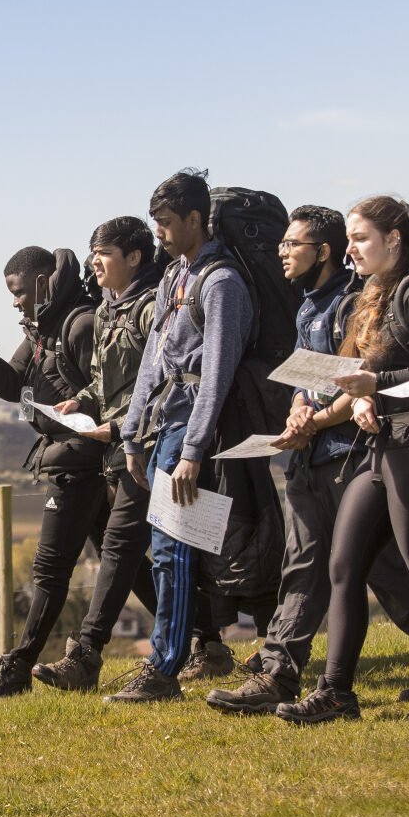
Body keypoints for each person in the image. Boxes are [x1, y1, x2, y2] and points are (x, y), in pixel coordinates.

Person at [206, 205, 409, 714]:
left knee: (375, 567)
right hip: (311, 456)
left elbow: (359, 382)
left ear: (324, 252)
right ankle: (279, 671)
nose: (283, 253)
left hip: (349, 455)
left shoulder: (355, 302)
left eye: (294, 245)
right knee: (307, 563)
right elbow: (305, 381)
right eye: (282, 244)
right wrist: (295, 414)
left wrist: (313, 421)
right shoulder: (306, 307)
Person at [274, 196, 409, 724]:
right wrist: (361, 396)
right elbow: (353, 369)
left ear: (395, 240)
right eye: (352, 239)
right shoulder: (371, 296)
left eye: (362, 238)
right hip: (384, 448)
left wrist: (375, 386)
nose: (352, 248)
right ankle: (337, 693)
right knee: (344, 564)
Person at [111, 170, 253, 703]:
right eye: (156, 224)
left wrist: (192, 450)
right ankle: (202, 651)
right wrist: (131, 432)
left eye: (167, 224)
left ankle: (165, 668)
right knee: (175, 548)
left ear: (196, 219)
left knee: (173, 549)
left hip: (192, 426)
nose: (160, 235)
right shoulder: (175, 277)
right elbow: (154, 355)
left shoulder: (221, 283)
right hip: (161, 426)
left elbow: (216, 371)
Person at [0, 246, 107, 699]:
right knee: (129, 567)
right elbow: (11, 382)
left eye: (19, 292)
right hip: (74, 459)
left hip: (83, 461)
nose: (15, 302)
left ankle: (17, 668)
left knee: (49, 568)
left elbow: (106, 392)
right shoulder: (43, 328)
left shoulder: (79, 323)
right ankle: (203, 643)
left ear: (43, 282)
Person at [31, 216, 163, 691]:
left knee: (124, 548)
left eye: (104, 253)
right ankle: (204, 639)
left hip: (150, 449)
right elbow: (106, 383)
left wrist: (120, 428)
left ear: (134, 257)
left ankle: (85, 656)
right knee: (133, 552)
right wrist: (81, 403)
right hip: (117, 453)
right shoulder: (108, 310)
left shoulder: (154, 309)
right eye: (93, 253)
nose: (95, 263)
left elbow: (168, 386)